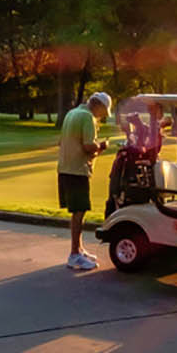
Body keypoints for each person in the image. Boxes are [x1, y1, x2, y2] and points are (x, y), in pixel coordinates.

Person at [59, 90, 112, 269]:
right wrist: (102, 146)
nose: (102, 116)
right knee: (79, 212)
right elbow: (88, 146)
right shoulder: (87, 117)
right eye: (103, 112)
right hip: (78, 170)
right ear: (98, 105)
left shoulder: (72, 113)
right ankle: (74, 254)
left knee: (77, 212)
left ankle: (79, 249)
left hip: (65, 168)